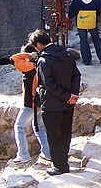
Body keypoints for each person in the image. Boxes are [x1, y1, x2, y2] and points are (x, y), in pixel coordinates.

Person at [31, 29, 81, 176]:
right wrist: (72, 95)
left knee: (54, 136)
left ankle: (60, 167)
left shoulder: (44, 60)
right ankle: (63, 162)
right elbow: (76, 75)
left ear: (39, 44)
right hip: (68, 103)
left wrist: (66, 96)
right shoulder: (66, 54)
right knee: (65, 134)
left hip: (52, 104)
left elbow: (49, 84)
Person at [9, 44, 51, 165]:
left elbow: (13, 59)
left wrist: (27, 55)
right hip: (40, 102)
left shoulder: (29, 67)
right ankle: (48, 153)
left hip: (30, 103)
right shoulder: (41, 64)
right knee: (39, 127)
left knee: (19, 127)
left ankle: (23, 155)